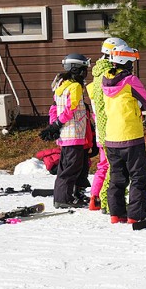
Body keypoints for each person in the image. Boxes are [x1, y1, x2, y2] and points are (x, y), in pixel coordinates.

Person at [102, 43, 146, 224]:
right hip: (131, 136)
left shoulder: (104, 80)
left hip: (111, 137)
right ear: (127, 60)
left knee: (117, 177)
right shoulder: (131, 80)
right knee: (138, 177)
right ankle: (135, 216)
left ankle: (116, 214)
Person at [40, 53, 94, 209]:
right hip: (74, 134)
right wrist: (56, 124)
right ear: (76, 69)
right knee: (71, 168)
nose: (86, 73)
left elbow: (54, 108)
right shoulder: (75, 86)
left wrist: (54, 126)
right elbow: (72, 107)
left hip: (67, 135)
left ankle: (69, 195)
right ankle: (63, 198)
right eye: (84, 69)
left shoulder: (60, 85)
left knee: (71, 166)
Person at [88, 36, 126, 212]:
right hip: (109, 127)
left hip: (101, 127)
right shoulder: (109, 74)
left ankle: (95, 197)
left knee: (104, 165)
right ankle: (107, 200)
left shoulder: (97, 71)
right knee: (114, 166)